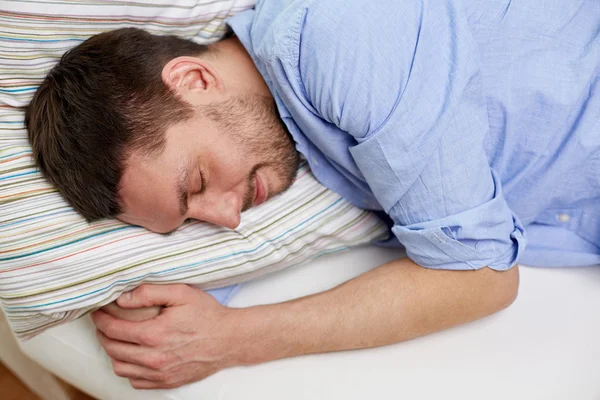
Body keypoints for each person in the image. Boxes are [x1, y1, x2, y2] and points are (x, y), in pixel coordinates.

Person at [25, 0, 599, 390]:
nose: (227, 218)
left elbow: (481, 274)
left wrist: (233, 339)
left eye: (196, 184)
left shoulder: (337, 41)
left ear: (193, 80)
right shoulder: (282, 133)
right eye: (190, 219)